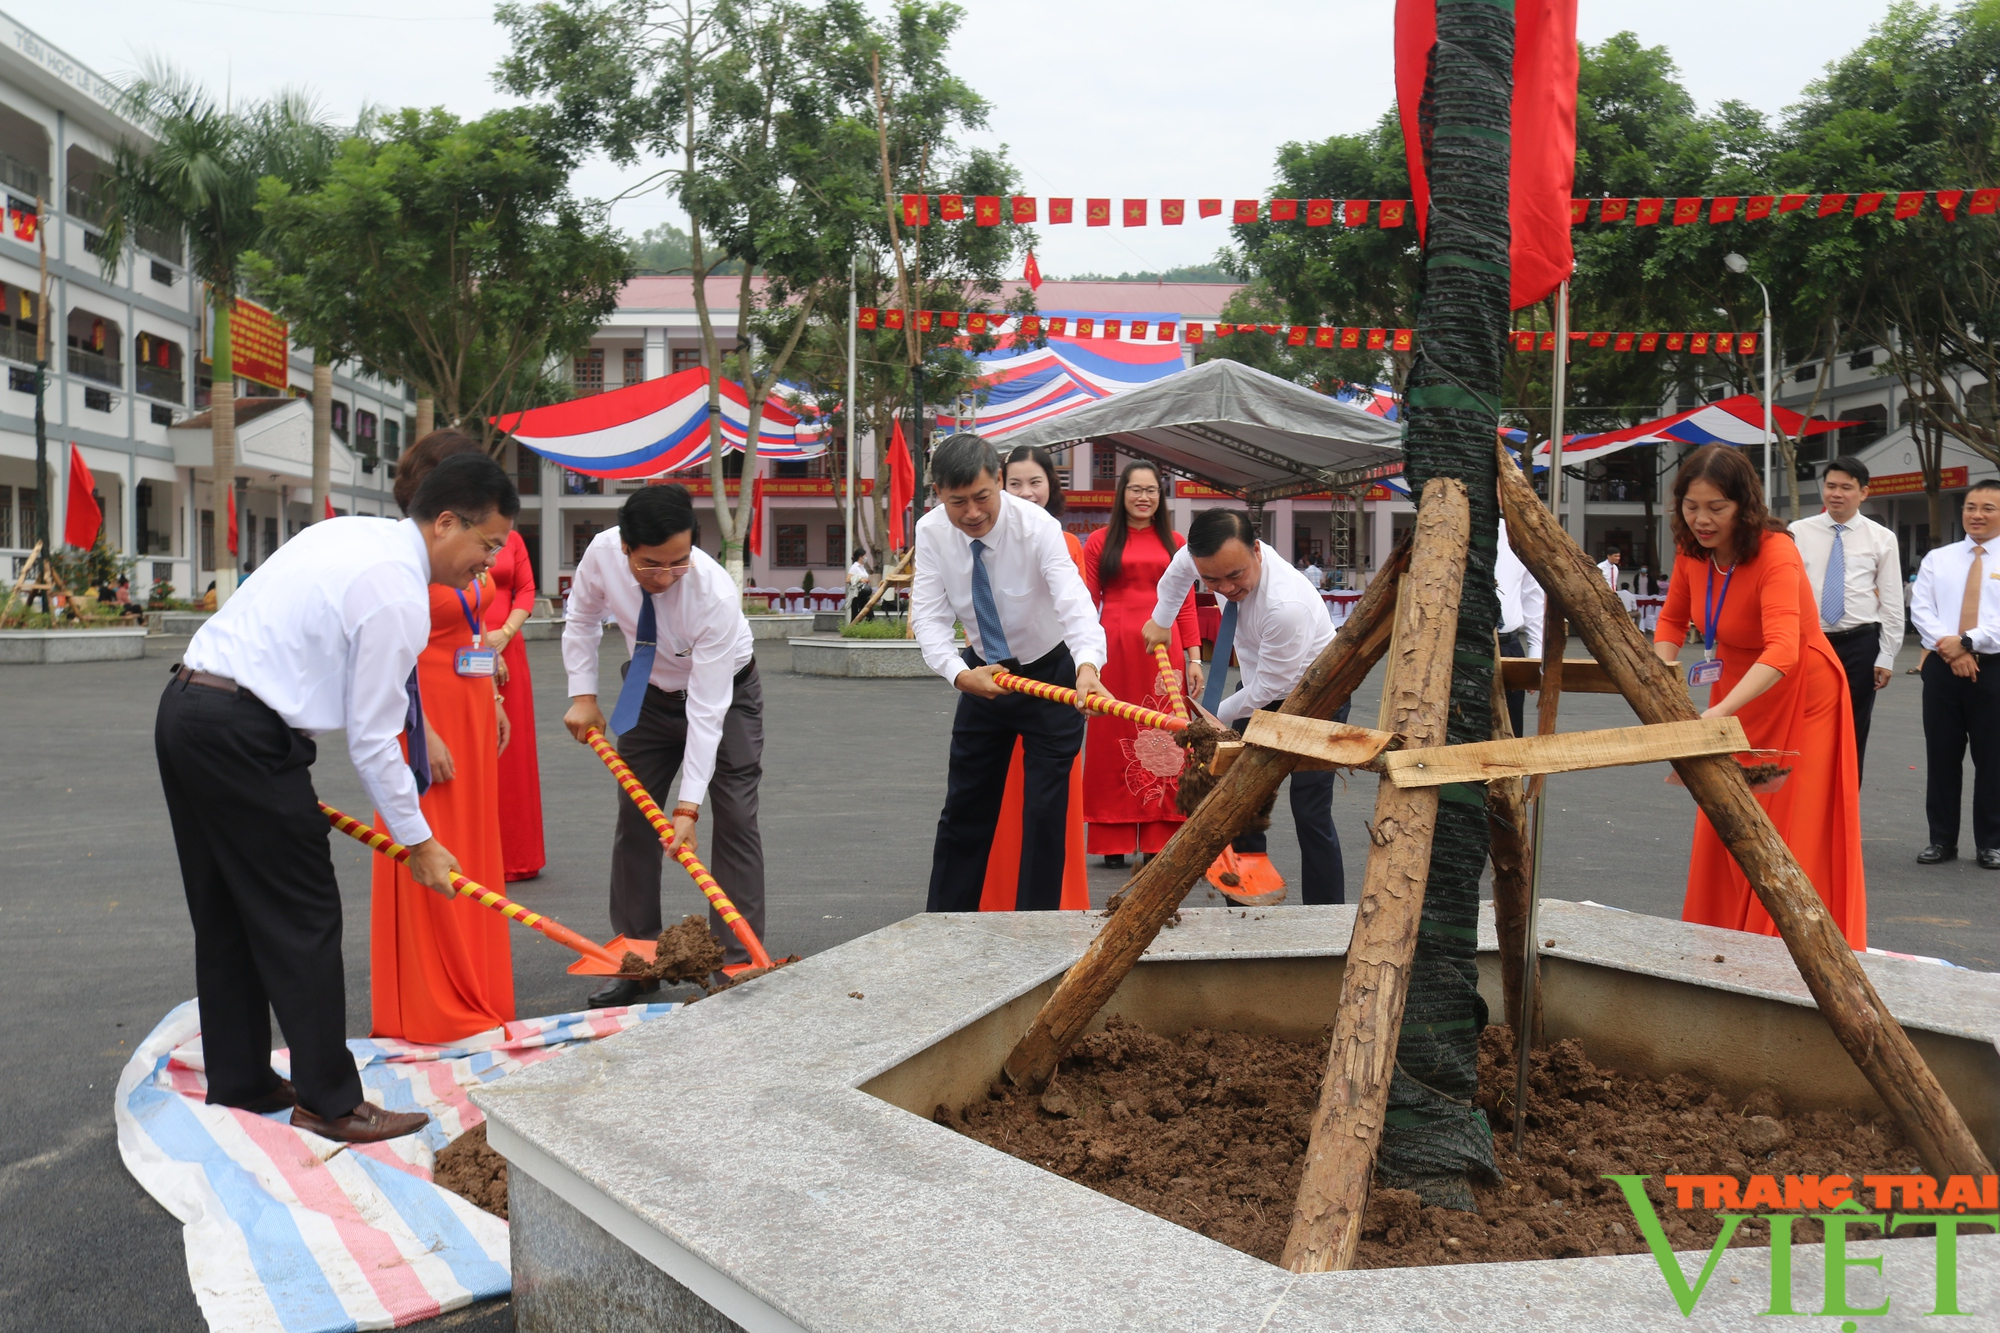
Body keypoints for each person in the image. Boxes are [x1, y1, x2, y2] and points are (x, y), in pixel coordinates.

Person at [154, 451, 518, 1143]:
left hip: (187, 710)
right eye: (488, 543)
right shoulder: (398, 594)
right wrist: (420, 841)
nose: (491, 563)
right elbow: (377, 739)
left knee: (229, 909)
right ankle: (330, 1099)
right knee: (304, 915)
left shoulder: (353, 534)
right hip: (241, 733)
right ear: (446, 522)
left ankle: (243, 1079)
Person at [1652, 444, 1865, 945]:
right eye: (1691, 506)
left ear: (1744, 505)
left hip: (1798, 692)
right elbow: (1671, 619)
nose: (1702, 520)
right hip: (1733, 686)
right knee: (1725, 815)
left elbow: (1784, 649)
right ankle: (1723, 931)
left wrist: (1720, 712)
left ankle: (1793, 942)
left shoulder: (1776, 551)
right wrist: (1662, 667)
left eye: (1716, 508)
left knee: (1788, 822)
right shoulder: (1692, 549)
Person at [563, 483, 765, 1005]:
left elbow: (707, 708)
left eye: (678, 562)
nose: (666, 576)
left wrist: (688, 808)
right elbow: (583, 618)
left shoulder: (714, 592)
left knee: (736, 815)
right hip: (648, 689)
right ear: (625, 547)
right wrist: (583, 695)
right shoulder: (602, 555)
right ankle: (638, 956)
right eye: (651, 564)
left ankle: (736, 961)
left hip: (726, 692)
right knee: (635, 817)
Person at [913, 433, 1110, 912]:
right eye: (957, 501)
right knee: (964, 807)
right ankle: (945, 927)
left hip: (1051, 677)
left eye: (982, 497)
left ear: (998, 481)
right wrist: (960, 675)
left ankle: (1036, 936)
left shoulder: (1036, 527)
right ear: (938, 492)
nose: (973, 512)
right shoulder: (932, 531)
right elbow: (928, 618)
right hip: (985, 677)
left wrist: (1087, 666)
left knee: (1045, 814)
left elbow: (1074, 603)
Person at [370, 431, 515, 1045]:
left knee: (475, 842)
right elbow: (387, 655)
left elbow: (474, 622)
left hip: (470, 699)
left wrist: (494, 694)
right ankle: (434, 1001)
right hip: (422, 709)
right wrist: (420, 728)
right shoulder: (405, 557)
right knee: (429, 840)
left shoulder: (462, 550)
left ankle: (477, 983)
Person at [1145, 508, 1343, 905]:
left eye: (1235, 576)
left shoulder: (1287, 604)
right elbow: (1177, 573)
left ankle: (1326, 913)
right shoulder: (1203, 556)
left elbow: (1275, 685)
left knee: (1310, 808)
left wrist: (1215, 716)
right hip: (1255, 684)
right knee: (1240, 796)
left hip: (1316, 696)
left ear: (1256, 550)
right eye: (1212, 580)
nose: (1226, 588)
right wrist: (1161, 619)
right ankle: (1246, 891)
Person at [979, 445, 1090, 909]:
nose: (1026, 492)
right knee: (1000, 796)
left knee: (1050, 803)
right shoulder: (984, 539)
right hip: (1000, 687)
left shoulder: (1065, 545)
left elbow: (1077, 618)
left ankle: (1054, 903)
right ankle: (996, 897)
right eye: (1016, 483)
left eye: (1036, 482)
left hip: (1056, 689)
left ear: (1052, 487)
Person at [1080, 462, 1202, 868]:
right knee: (1111, 733)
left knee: (1165, 734)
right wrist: (1086, 662)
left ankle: (1158, 832)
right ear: (1122, 494)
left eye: (1151, 490)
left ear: (1160, 496)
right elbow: (1085, 604)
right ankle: (1111, 837)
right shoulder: (1099, 542)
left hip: (1164, 654)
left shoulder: (1178, 543)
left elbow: (1184, 603)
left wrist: (1195, 656)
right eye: (1135, 489)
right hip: (1114, 648)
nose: (1143, 497)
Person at [1789, 456, 1904, 778]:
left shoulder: (1882, 538)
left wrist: (1887, 656)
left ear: (1863, 493)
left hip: (1860, 643)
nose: (1836, 494)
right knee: (1803, 721)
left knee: (1853, 727)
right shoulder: (1797, 532)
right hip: (1810, 642)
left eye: (1846, 488)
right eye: (1830, 486)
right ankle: (1804, 795)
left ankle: (1844, 806)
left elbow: (1892, 601)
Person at [1909, 480, 2000, 868]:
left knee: (1993, 759)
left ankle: (1992, 842)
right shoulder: (1938, 558)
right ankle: (1941, 839)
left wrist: (1967, 641)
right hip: (1943, 667)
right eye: (1970, 507)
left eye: (1988, 508)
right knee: (1942, 755)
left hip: (1994, 668)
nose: (1976, 515)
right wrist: (1952, 646)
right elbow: (1921, 610)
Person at [483, 526, 546, 881]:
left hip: (509, 644)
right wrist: (482, 643)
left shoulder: (512, 537)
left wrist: (505, 634)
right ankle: (479, 850)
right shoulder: (457, 535)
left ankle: (517, 855)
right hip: (468, 643)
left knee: (513, 753)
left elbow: (525, 589)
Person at [1495, 517, 1546, 739]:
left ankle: (1511, 775)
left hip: (1509, 646)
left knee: (1511, 732)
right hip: (1463, 646)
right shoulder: (1451, 527)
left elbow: (1532, 599)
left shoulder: (1515, 534)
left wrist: (1535, 658)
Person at [846, 547, 875, 622]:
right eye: (865, 556)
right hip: (857, 594)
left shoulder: (862, 568)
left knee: (869, 614)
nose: (866, 558)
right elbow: (848, 579)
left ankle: (869, 630)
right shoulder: (854, 567)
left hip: (864, 593)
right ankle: (852, 631)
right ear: (860, 557)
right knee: (855, 616)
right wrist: (860, 579)